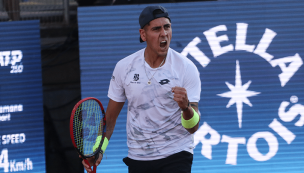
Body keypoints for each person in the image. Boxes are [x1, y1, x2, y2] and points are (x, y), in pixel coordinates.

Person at [81, 5, 201, 173]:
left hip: (177, 154)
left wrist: (186, 108)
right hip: (138, 158)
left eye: (167, 27)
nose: (164, 33)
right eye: (156, 29)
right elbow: (110, 118)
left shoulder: (186, 68)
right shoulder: (124, 67)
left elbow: (193, 127)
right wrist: (98, 149)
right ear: (143, 34)